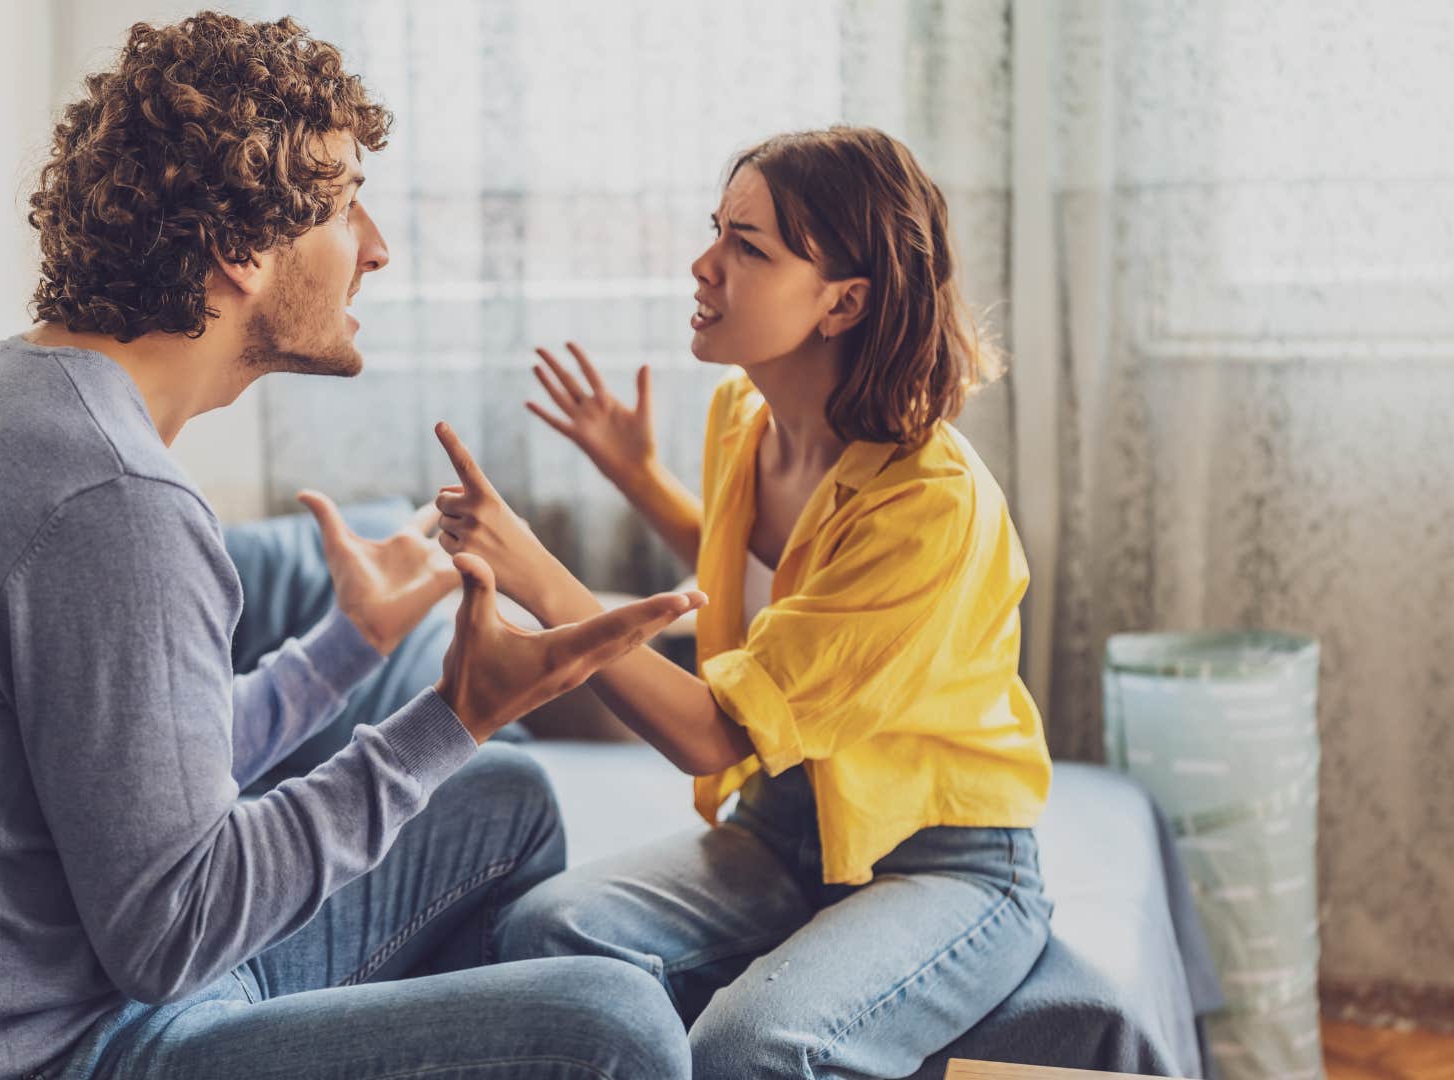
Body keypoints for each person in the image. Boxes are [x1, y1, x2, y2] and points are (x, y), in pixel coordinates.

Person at [0, 13, 700, 1080]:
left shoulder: (20, 399)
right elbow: (173, 928)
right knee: (617, 1025)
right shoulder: (114, 500)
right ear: (239, 252)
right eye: (342, 207)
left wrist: (349, 647)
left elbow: (135, 773)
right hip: (56, 1055)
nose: (376, 247)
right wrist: (460, 711)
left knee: (502, 801)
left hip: (96, 995)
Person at [431, 126, 1056, 1079]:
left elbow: (714, 733)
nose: (703, 263)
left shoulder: (929, 504)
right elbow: (774, 587)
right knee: (541, 935)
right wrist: (643, 477)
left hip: (943, 860)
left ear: (843, 301)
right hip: (780, 826)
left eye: (748, 247)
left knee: (749, 1049)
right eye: (717, 230)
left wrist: (540, 577)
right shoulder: (747, 420)